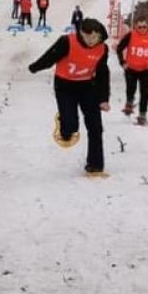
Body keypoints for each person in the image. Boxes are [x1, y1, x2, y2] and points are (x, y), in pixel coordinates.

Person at [28, 17, 111, 177]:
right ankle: (64, 123)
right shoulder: (67, 42)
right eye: (89, 37)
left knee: (96, 127)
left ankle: (95, 165)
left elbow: (102, 74)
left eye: (96, 37)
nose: (93, 41)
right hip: (65, 86)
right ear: (81, 33)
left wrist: (103, 98)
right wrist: (35, 67)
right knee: (71, 127)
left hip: (88, 86)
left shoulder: (102, 49)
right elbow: (49, 57)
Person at [116, 14, 148, 126]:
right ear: (136, 27)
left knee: (144, 93)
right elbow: (119, 48)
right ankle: (129, 102)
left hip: (145, 69)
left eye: (144, 27)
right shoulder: (131, 35)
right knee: (131, 88)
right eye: (140, 27)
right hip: (131, 68)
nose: (142, 29)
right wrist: (122, 62)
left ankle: (142, 115)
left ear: (147, 27)